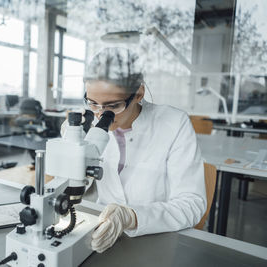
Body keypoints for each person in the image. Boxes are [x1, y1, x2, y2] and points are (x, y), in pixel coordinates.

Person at [78, 47, 206, 253]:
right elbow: (77, 185)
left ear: (139, 93)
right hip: (100, 236)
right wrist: (71, 151)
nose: (101, 115)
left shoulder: (174, 123)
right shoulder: (86, 123)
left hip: (156, 239)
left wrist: (131, 217)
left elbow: (192, 204)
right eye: (93, 103)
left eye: (113, 105)